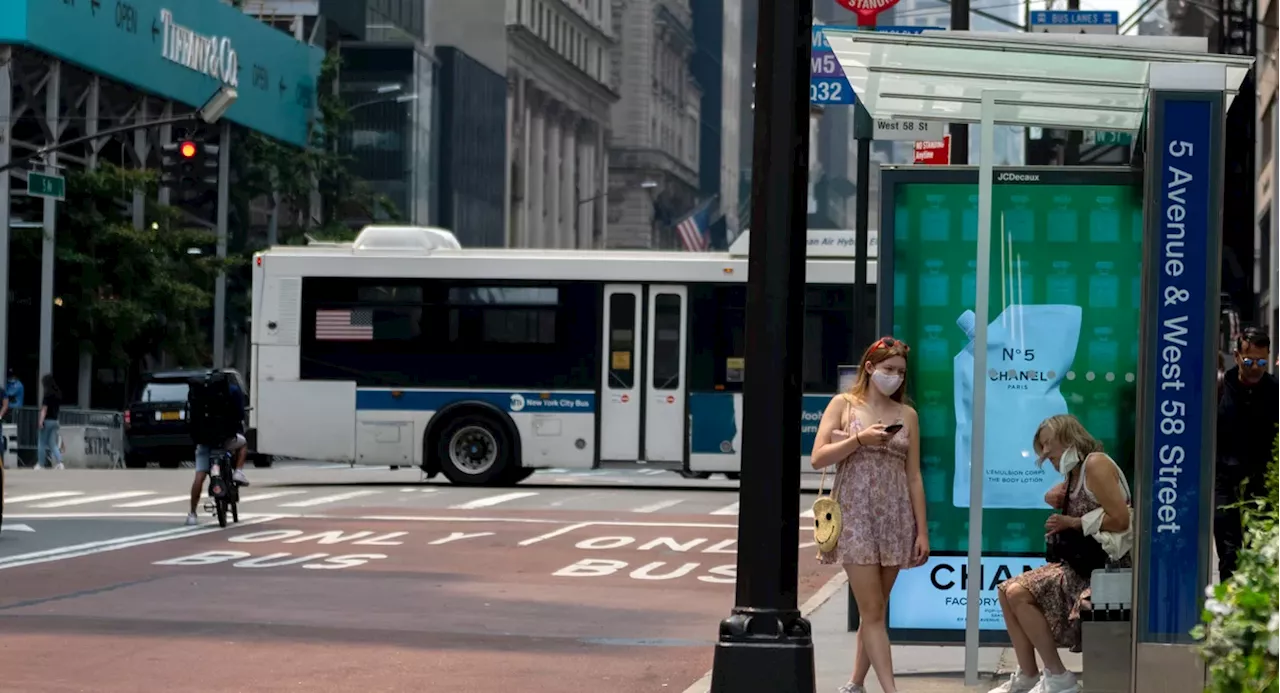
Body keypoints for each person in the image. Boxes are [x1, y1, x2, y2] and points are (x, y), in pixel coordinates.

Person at [811, 336, 929, 693]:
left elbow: (914, 475)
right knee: (874, 610)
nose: (894, 376)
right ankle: (891, 690)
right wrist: (858, 441)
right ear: (870, 367)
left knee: (874, 609)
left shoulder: (907, 414)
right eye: (888, 369)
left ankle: (855, 683)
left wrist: (921, 530)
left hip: (895, 516)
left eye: (900, 372)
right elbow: (818, 457)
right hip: (855, 515)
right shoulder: (844, 404)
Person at [990, 414, 1131, 693]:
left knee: (1018, 592)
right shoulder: (1075, 472)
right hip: (1081, 565)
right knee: (1005, 590)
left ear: (1068, 439)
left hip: (1106, 569)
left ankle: (1057, 676)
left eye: (1047, 444)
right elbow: (1056, 496)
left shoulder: (1096, 464)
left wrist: (1073, 523)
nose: (1045, 454)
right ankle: (1030, 674)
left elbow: (1121, 519)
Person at [1215, 326, 1280, 580]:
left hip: (1262, 483)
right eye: (1250, 361)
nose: (1256, 367)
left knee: (1259, 554)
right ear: (1237, 356)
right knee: (1229, 553)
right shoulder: (1221, 388)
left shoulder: (1275, 391)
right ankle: (1227, 612)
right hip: (1225, 480)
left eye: (1262, 361)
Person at [186, 374, 250, 526]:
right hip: (226, 440)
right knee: (243, 444)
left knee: (199, 477)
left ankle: (192, 514)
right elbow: (240, 414)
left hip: (203, 442)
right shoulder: (232, 390)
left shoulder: (197, 393)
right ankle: (238, 472)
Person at [35, 374, 63, 470]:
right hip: (55, 421)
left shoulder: (47, 395)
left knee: (41, 443)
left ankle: (41, 464)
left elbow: (44, 410)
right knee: (52, 444)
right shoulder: (58, 395)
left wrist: (40, 421)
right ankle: (60, 462)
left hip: (47, 420)